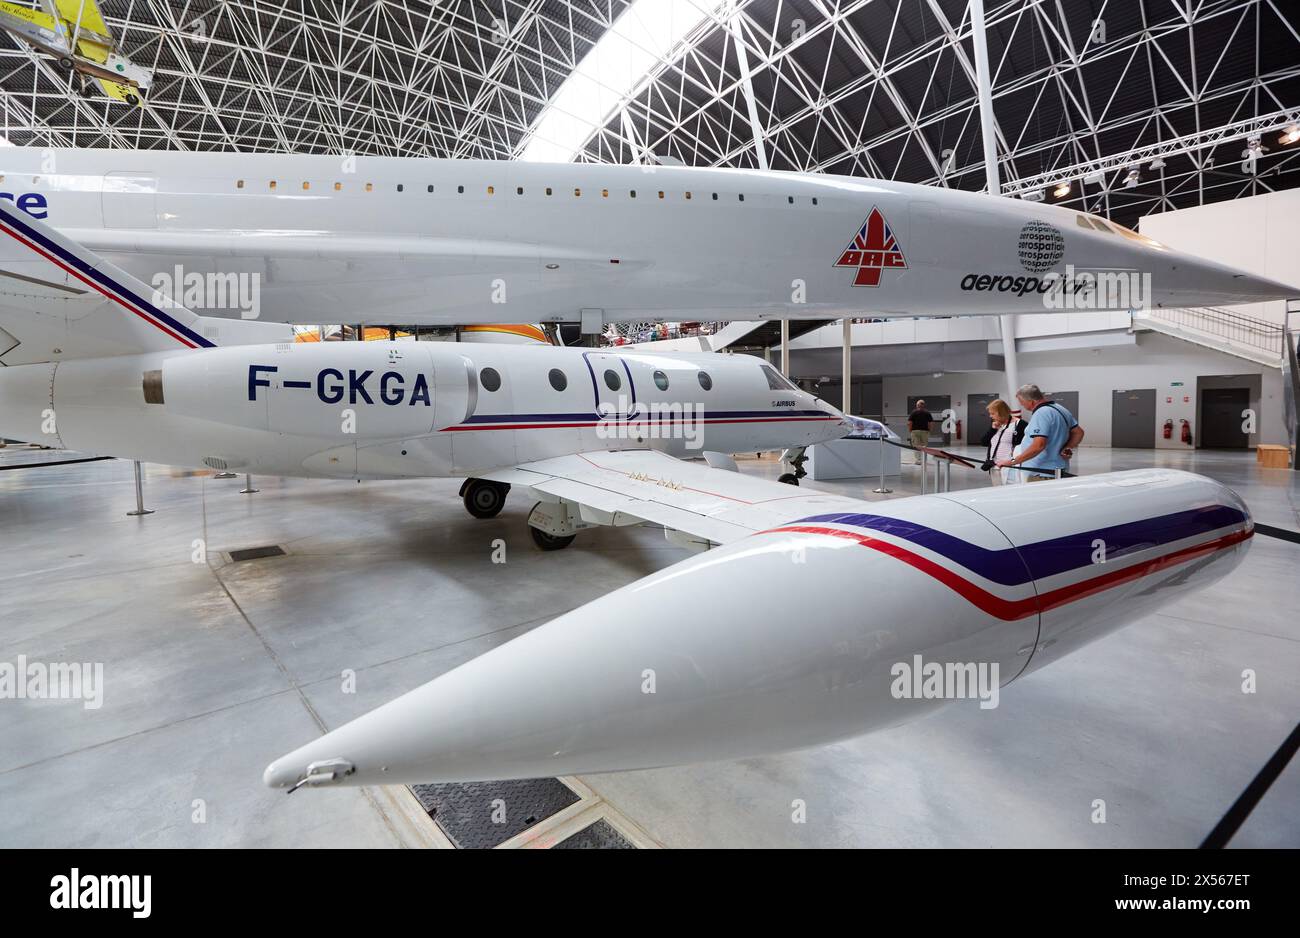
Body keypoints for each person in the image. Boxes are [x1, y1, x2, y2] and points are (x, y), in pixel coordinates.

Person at [997, 384, 1083, 482]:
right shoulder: (1059, 408)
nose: (1022, 405)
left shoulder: (1041, 413)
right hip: (1058, 468)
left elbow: (1038, 446)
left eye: (1022, 402)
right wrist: (1068, 447)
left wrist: (1012, 462)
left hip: (1042, 472)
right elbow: (1079, 432)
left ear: (1031, 401)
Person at [982, 399, 1017, 485]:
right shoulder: (995, 424)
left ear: (1002, 412)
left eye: (993, 413)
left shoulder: (1018, 425)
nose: (990, 416)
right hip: (994, 466)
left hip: (1009, 467)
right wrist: (992, 430)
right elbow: (984, 442)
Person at [907, 399, 933, 465]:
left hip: (915, 431)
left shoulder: (913, 413)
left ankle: (918, 460)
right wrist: (929, 430)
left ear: (917, 405)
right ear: (923, 405)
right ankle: (924, 460)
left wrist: (910, 430)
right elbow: (930, 423)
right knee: (924, 446)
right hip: (925, 431)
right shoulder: (927, 413)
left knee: (916, 446)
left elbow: (910, 423)